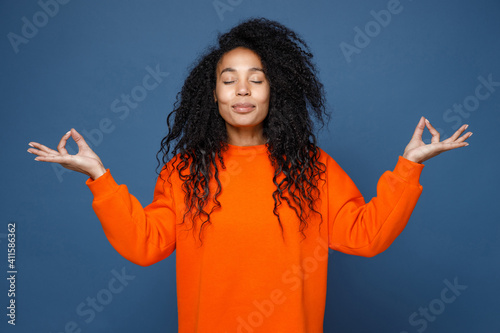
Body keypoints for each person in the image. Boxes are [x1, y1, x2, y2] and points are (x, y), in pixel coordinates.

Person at [27, 18, 471, 333]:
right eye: (229, 79)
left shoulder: (313, 169)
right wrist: (99, 176)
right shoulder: (184, 172)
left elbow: (366, 235)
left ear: (274, 90)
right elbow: (145, 244)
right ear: (213, 94)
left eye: (256, 79)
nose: (242, 89)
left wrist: (409, 166)